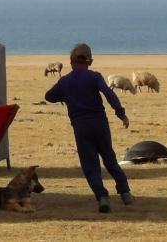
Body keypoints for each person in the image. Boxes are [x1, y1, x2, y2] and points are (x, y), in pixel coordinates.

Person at [44, 43, 133, 213]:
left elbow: (49, 96)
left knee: (90, 164)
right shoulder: (95, 77)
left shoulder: (65, 81)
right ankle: (125, 192)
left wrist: (64, 95)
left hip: (80, 126)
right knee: (110, 158)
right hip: (100, 123)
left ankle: (102, 197)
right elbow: (109, 94)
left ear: (71, 61)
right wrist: (121, 113)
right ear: (90, 61)